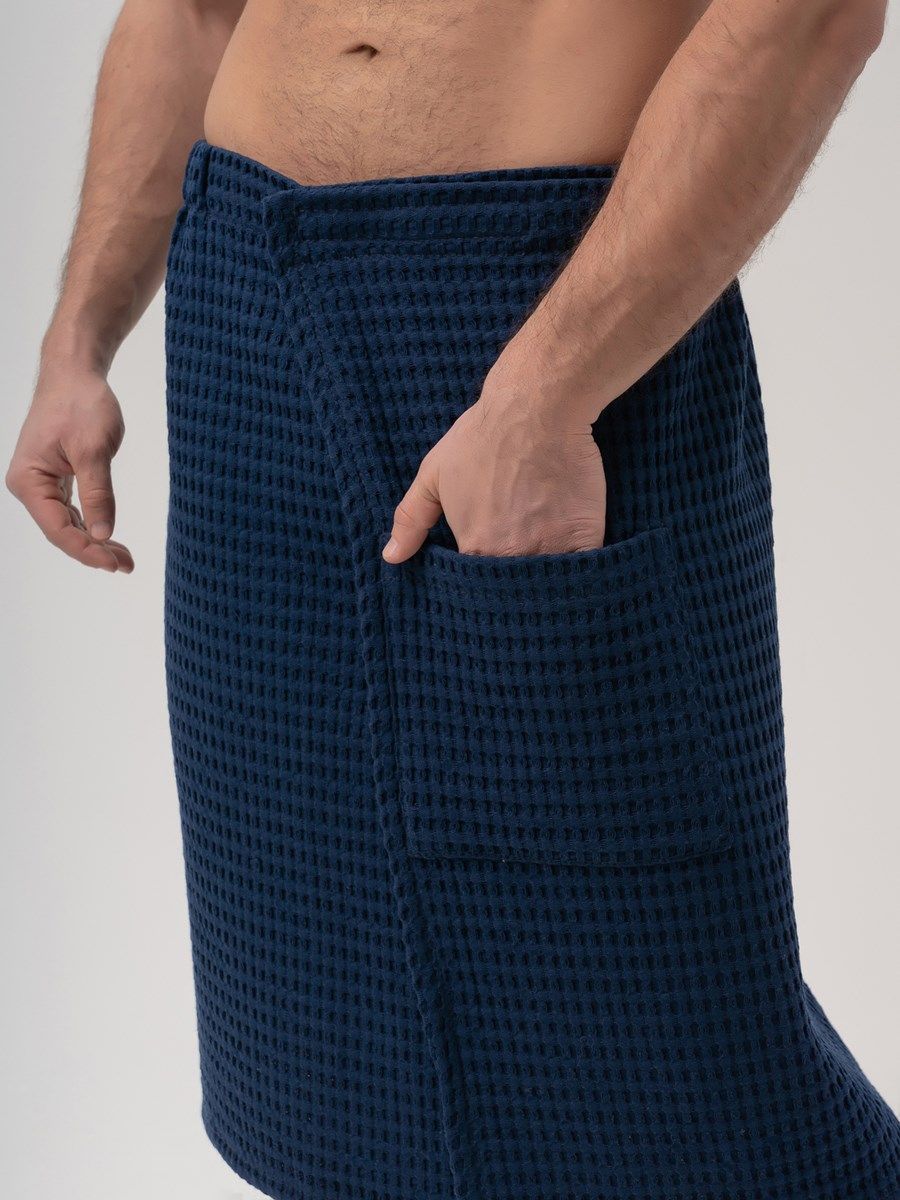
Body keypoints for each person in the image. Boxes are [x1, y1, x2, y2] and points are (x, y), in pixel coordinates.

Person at [7, 1, 899, 1198]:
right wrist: (77, 338)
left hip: (534, 316)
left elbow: (811, 13)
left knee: (681, 1047)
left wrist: (544, 395)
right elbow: (190, 10)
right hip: (245, 317)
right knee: (313, 1054)